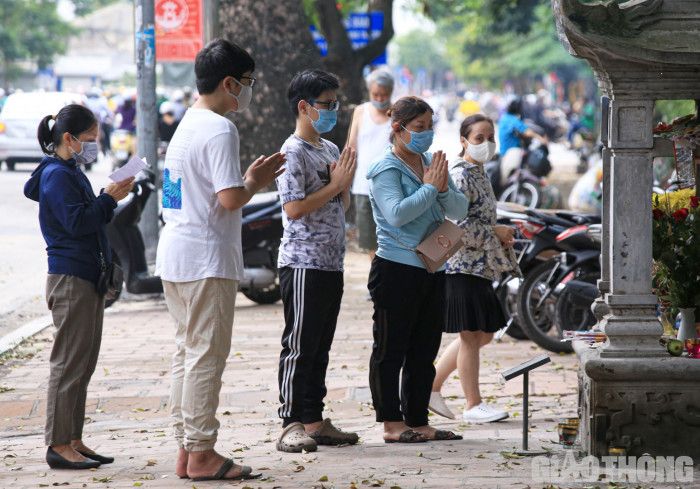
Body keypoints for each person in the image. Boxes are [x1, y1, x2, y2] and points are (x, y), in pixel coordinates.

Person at [155, 39, 285, 482]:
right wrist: (255, 180)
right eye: (246, 83)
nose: (247, 92)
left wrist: (242, 182)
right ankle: (203, 452)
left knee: (187, 354)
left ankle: (187, 449)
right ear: (229, 83)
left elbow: (176, 194)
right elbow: (230, 198)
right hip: (205, 258)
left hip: (176, 252)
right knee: (205, 357)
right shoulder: (218, 127)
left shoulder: (186, 125)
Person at [24, 104, 134, 470]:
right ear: (68, 139)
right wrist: (108, 199)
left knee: (83, 364)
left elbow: (85, 216)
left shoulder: (69, 171)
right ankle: (58, 444)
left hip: (86, 277)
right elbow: (76, 222)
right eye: (89, 140)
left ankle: (72, 438)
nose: (93, 147)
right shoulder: (57, 174)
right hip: (71, 279)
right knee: (68, 365)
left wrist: (105, 198)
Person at [366, 96, 468, 443]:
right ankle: (392, 424)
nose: (426, 135)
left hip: (433, 266)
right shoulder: (385, 169)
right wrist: (429, 188)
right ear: (398, 129)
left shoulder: (430, 162)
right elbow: (397, 213)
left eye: (430, 127)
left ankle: (418, 419)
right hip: (396, 268)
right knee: (391, 348)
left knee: (425, 348)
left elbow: (459, 205)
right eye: (419, 128)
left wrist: (439, 190)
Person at [275, 69, 359, 453]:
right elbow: (294, 208)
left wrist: (343, 187)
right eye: (326, 105)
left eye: (336, 104)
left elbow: (343, 203)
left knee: (321, 344)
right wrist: (336, 186)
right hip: (303, 261)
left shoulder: (328, 149)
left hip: (331, 261)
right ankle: (291, 421)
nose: (333, 112)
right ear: (304, 108)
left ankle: (314, 419)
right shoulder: (291, 152)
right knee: (300, 344)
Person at [428, 114, 520, 423]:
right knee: (470, 335)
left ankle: (431, 386)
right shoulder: (462, 174)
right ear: (463, 141)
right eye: (479, 138)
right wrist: (496, 233)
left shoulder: (478, 171)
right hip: (461, 264)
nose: (487, 144)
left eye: (491, 137)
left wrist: (497, 231)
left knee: (482, 334)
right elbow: (458, 225)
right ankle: (473, 404)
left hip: (479, 266)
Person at [347, 70, 393, 262]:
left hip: (392, 188)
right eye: (376, 95)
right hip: (363, 187)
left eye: (384, 95)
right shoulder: (361, 111)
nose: (380, 99)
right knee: (369, 242)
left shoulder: (398, 113)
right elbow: (351, 147)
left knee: (391, 241)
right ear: (369, 92)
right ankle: (377, 284)